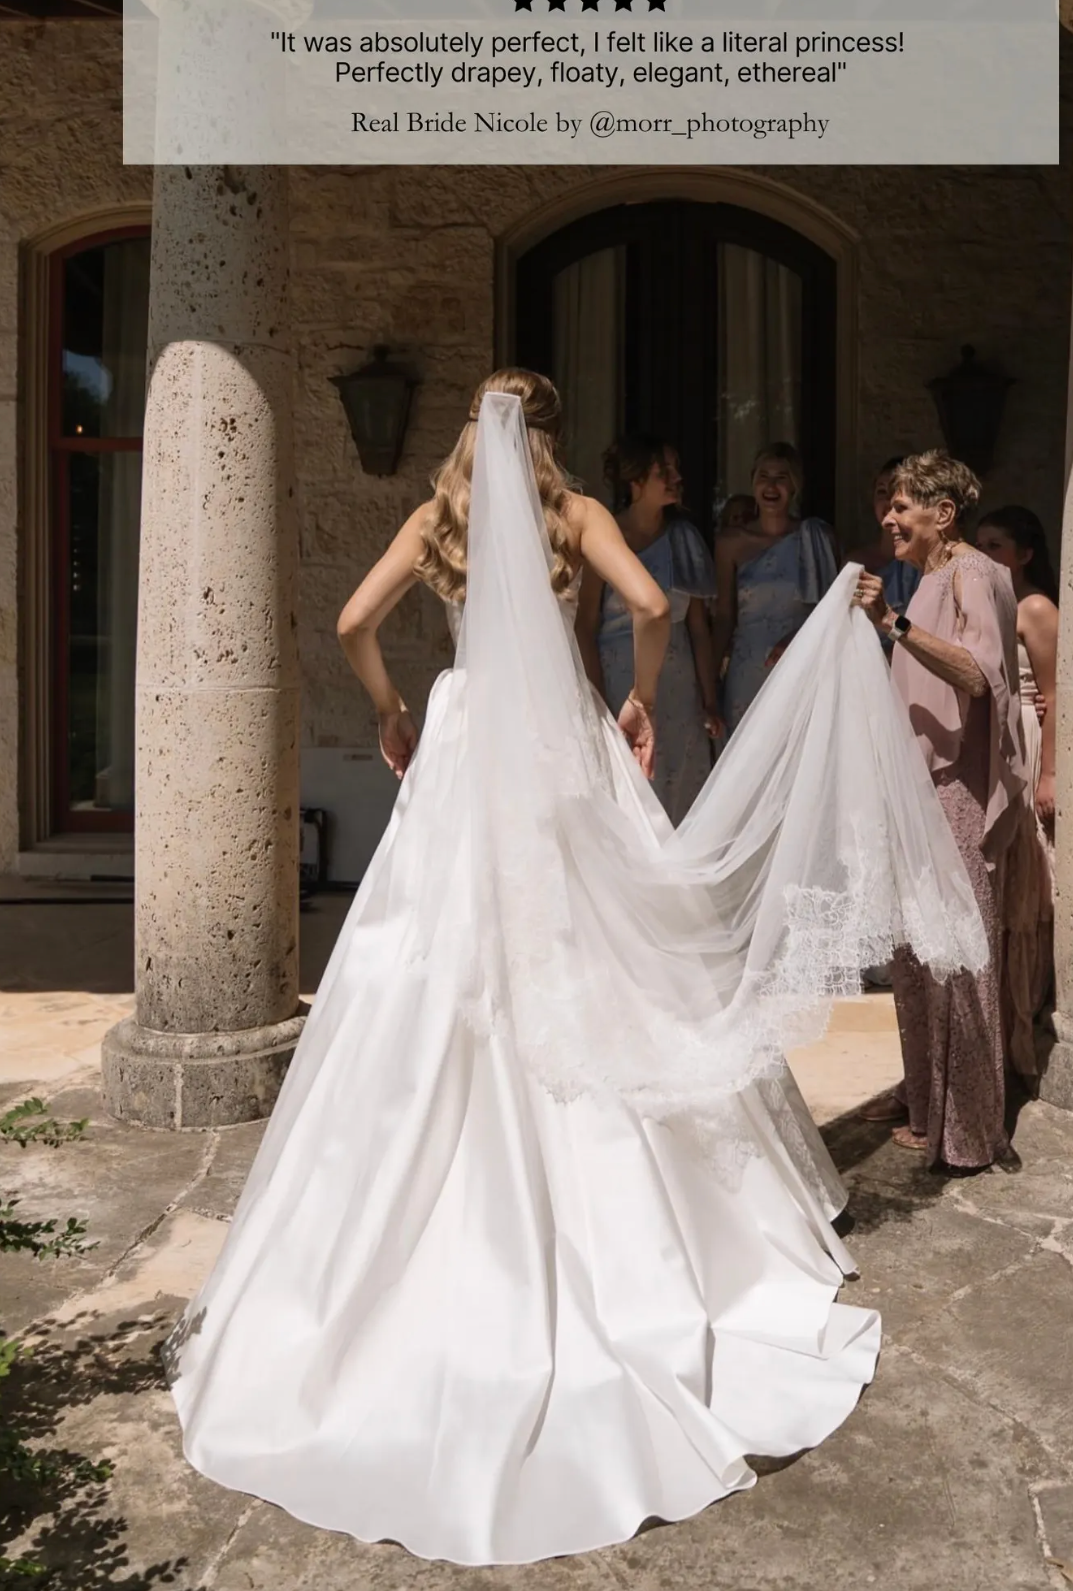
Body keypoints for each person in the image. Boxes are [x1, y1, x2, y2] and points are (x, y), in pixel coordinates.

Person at [168, 373, 988, 1565]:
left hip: (462, 744)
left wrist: (398, 711)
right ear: (544, 437)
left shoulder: (437, 513)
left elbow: (351, 620)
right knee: (602, 960)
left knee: (434, 973)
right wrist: (638, 697)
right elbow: (653, 601)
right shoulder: (575, 513)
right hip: (556, 737)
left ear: (470, 431)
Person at [853, 451, 1025, 1171]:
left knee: (956, 953)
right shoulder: (924, 580)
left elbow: (978, 677)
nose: (888, 520)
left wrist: (891, 623)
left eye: (899, 507)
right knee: (915, 954)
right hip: (911, 788)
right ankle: (926, 1102)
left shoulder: (972, 576)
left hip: (952, 788)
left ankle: (970, 1129)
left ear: (942, 514)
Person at [576, 435, 723, 823]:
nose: (677, 478)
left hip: (678, 685)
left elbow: (698, 628)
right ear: (635, 481)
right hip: (619, 679)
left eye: (677, 470)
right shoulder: (603, 538)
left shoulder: (685, 539)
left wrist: (709, 700)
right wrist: (597, 704)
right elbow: (585, 626)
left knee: (679, 788)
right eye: (664, 472)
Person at [976, 504, 1058, 1082]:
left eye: (996, 546)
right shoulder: (987, 604)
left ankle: (1025, 1026)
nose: (986, 557)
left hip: (1029, 745)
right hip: (995, 746)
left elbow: (1057, 696)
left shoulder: (1035, 608)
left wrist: (1049, 774)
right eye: (980, 545)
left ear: (1025, 554)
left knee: (1030, 883)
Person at [714, 444, 839, 730]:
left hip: (801, 664)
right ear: (753, 481)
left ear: (795, 485)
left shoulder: (817, 536)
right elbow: (723, 616)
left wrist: (796, 639)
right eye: (764, 476)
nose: (771, 485)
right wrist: (709, 684)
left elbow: (834, 609)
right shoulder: (730, 543)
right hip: (747, 671)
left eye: (781, 477)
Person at [849, 456, 922, 630]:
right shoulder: (855, 562)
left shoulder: (922, 564)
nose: (889, 500)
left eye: (898, 492)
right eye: (882, 491)